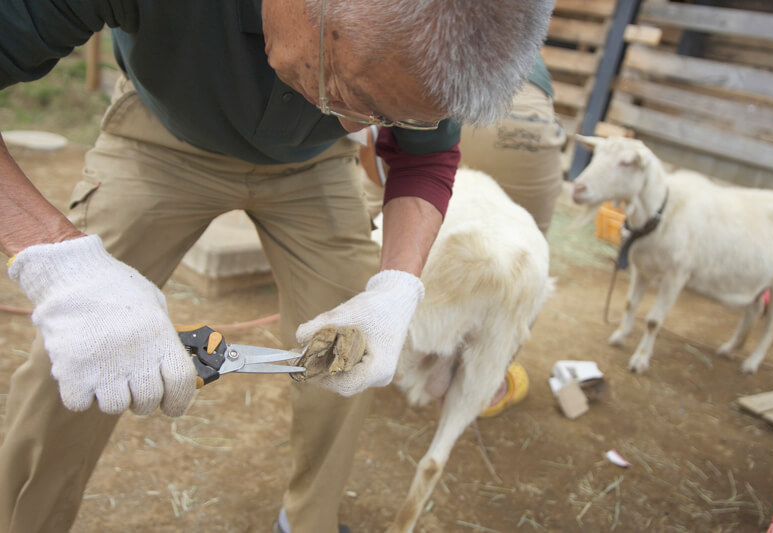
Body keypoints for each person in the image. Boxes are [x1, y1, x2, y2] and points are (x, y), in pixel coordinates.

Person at [0, 0, 554, 531]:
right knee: (81, 350)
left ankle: (307, 522)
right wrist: (57, 260)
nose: (364, 122)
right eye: (355, 94)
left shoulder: (414, 58)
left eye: (385, 115)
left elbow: (425, 154)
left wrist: (396, 289)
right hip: (163, 137)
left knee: (351, 353)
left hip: (312, 166)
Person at [461, 55, 566, 419]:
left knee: (399, 215)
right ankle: (485, 387)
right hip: (524, 108)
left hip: (439, 93)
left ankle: (371, 348)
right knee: (528, 249)